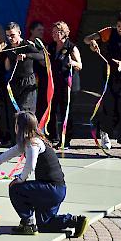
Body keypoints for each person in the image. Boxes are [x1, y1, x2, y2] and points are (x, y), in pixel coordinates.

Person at [0, 111, 90, 237]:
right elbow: (12, 152)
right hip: (55, 190)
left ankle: (27, 224)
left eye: (16, 124)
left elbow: (30, 166)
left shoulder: (33, 143)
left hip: (51, 189)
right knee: (45, 224)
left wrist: (20, 179)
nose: (15, 127)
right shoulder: (32, 141)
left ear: (21, 127)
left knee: (16, 188)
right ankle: (76, 221)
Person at [84, 11, 121, 160]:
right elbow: (86, 39)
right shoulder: (109, 32)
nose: (120, 29)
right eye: (118, 26)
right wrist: (93, 43)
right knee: (109, 105)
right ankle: (104, 132)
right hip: (110, 75)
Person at [0, 22, 44, 143]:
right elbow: (5, 66)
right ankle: (17, 142)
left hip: (28, 82)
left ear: (19, 33)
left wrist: (26, 55)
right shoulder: (8, 48)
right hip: (14, 83)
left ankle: (31, 140)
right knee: (14, 112)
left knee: (26, 111)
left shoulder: (27, 45)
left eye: (12, 35)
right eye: (8, 35)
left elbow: (41, 56)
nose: (10, 38)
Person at [47, 21, 82, 149]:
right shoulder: (51, 46)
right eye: (53, 32)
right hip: (55, 83)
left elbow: (80, 65)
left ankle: (65, 140)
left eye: (57, 32)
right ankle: (53, 137)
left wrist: (72, 62)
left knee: (66, 112)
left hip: (68, 85)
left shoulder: (71, 47)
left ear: (64, 33)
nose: (54, 35)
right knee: (53, 111)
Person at [28, 21, 49, 127]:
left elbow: (46, 62)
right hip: (30, 78)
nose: (42, 32)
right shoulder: (27, 44)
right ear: (32, 31)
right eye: (39, 30)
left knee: (42, 104)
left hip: (42, 79)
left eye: (42, 30)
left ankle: (41, 127)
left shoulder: (43, 45)